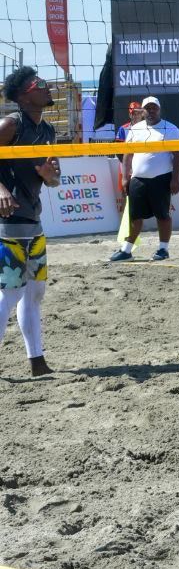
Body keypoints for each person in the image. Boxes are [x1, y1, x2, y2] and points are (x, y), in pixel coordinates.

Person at [0, 66, 60, 377]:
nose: (48, 88)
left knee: (35, 292)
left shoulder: (47, 131)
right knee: (10, 294)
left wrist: (51, 178)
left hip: (32, 218)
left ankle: (37, 361)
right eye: (41, 84)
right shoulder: (10, 125)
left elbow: (53, 177)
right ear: (25, 94)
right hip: (8, 221)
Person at [108, 97, 179, 262]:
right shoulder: (135, 129)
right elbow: (127, 155)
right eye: (148, 108)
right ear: (143, 110)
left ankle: (163, 249)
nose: (151, 111)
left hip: (161, 179)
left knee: (163, 215)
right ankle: (127, 251)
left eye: (154, 107)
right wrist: (125, 177)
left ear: (159, 109)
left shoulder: (171, 129)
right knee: (134, 217)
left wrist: (175, 179)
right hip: (138, 180)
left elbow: (178, 156)